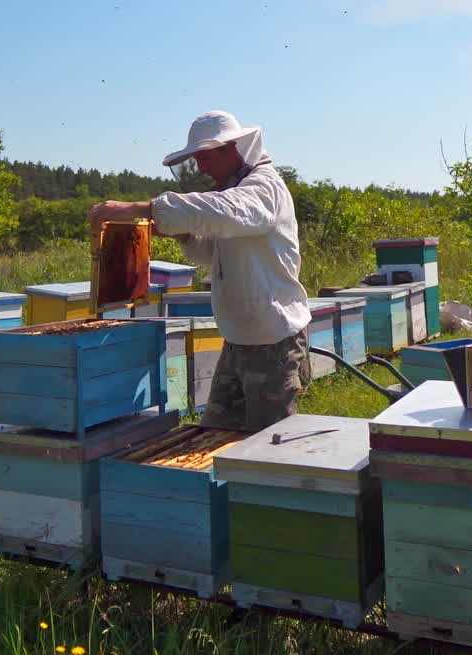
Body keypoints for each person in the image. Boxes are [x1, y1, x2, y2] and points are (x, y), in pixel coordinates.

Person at [88, 111, 312, 431]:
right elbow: (215, 251)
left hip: (273, 340)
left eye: (204, 158)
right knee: (216, 433)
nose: (201, 167)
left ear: (231, 148)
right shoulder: (236, 191)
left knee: (268, 448)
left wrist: (140, 208)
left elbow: (224, 212)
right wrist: (181, 232)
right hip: (238, 338)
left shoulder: (264, 187)